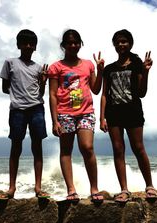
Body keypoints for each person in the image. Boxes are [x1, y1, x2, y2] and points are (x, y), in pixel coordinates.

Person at [100, 29, 157, 203]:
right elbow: (104, 94)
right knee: (118, 150)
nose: (120, 45)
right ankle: (124, 190)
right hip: (113, 113)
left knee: (138, 148)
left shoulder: (136, 64)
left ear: (130, 43)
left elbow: (142, 92)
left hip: (133, 111)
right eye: (117, 42)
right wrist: (102, 117)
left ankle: (149, 186)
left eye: (124, 41)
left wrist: (146, 71)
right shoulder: (109, 69)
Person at [48, 29, 105, 203]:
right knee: (66, 151)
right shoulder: (56, 67)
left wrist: (100, 70)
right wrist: (54, 120)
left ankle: (94, 188)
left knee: (87, 148)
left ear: (80, 44)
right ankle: (71, 189)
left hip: (86, 112)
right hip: (65, 113)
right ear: (63, 45)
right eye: (69, 43)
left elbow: (95, 90)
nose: (73, 45)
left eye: (76, 42)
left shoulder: (88, 64)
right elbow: (52, 94)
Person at [0, 29, 50, 200]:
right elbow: (5, 88)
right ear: (18, 45)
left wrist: (43, 82)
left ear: (35, 46)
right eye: (25, 43)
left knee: (37, 148)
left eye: (31, 43)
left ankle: (38, 188)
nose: (28, 46)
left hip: (36, 108)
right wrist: (19, 96)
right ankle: (11, 188)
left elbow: (41, 93)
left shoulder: (39, 68)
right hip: (17, 109)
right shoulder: (10, 63)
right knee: (16, 147)